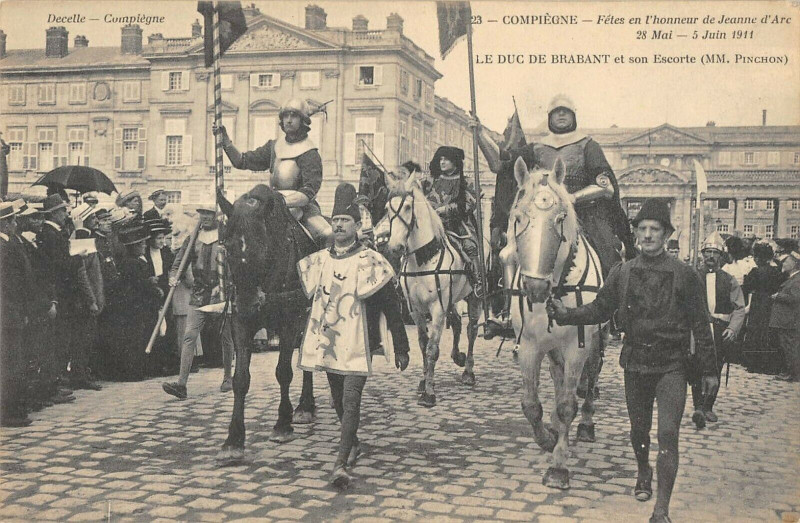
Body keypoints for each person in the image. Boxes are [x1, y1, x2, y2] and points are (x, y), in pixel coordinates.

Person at [547, 199, 718, 523]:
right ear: (636, 234)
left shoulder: (685, 275)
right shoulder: (622, 272)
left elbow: (700, 323)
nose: (649, 235)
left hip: (672, 366)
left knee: (668, 434)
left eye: (656, 229)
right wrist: (567, 313)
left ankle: (661, 510)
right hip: (636, 364)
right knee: (638, 432)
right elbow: (599, 309)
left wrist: (709, 371)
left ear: (666, 234)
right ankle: (643, 470)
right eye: (643, 229)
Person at [474, 95, 635, 333]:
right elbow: (500, 164)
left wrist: (572, 198)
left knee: (608, 257)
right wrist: (479, 134)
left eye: (566, 112)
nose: (561, 115)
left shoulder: (587, 146)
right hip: (544, 215)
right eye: (556, 112)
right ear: (549, 117)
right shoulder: (537, 148)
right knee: (508, 254)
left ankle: (614, 315)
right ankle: (508, 312)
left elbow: (605, 186)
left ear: (573, 116)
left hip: (584, 215)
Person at [297, 183, 410, 489]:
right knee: (337, 399)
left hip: (359, 343)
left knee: (351, 399)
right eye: (335, 220)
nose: (338, 225)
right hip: (328, 343)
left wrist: (401, 346)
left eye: (345, 221)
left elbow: (391, 304)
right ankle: (354, 443)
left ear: (358, 227)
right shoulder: (320, 260)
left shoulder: (371, 261)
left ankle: (341, 462)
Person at [213, 97, 331, 245]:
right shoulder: (273, 147)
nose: (288, 120)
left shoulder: (310, 153)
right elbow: (242, 161)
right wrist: (226, 142)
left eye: (294, 116)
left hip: (302, 208)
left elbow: (309, 191)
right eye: (285, 116)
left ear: (303, 120)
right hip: (272, 206)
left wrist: (280, 202)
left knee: (328, 235)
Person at [162, 207, 233, 399]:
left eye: (209, 213)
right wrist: (173, 276)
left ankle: (228, 377)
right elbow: (179, 263)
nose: (205, 217)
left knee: (226, 338)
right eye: (202, 214)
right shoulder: (193, 238)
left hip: (221, 293)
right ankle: (181, 384)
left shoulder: (226, 236)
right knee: (189, 336)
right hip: (200, 293)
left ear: (217, 215)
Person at [690, 231, 745, 428]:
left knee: (715, 367)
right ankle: (697, 405)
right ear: (702, 255)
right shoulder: (693, 276)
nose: (710, 257)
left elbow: (740, 308)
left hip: (720, 330)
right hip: (696, 330)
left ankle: (708, 406)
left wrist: (733, 328)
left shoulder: (729, 280)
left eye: (714, 253)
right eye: (707, 252)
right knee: (696, 367)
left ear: (721, 256)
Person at [423, 146, 483, 295]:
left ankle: (477, 281)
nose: (442, 162)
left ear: (455, 162)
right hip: (431, 223)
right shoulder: (431, 181)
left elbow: (470, 204)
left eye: (446, 159)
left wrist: (445, 209)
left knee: (469, 247)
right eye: (441, 159)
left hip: (457, 224)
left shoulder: (467, 182)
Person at [109, 224, 162, 381]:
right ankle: (132, 371)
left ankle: (136, 369)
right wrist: (151, 284)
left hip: (136, 306)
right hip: (134, 306)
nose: (145, 246)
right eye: (142, 244)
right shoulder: (131, 262)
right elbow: (138, 284)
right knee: (133, 338)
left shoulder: (136, 260)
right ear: (134, 246)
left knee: (137, 337)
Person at [0, 201, 33, 426]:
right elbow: (12, 284)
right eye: (12, 221)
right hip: (9, 311)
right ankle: (10, 412)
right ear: (5, 224)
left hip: (10, 309)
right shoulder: (6, 247)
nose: (15, 224)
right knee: (11, 361)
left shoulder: (10, 244)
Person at [741, 242, 785, 367]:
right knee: (767, 331)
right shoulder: (776, 271)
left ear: (758, 257)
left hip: (758, 301)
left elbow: (746, 287)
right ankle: (768, 362)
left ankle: (753, 362)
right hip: (771, 303)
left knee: (755, 330)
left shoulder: (756, 271)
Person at [144, 218, 177, 375]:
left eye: (163, 238)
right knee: (154, 326)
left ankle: (167, 362)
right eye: (158, 238)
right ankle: (153, 364)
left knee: (168, 325)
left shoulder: (166, 252)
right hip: (151, 292)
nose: (162, 241)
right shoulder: (145, 254)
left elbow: (172, 268)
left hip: (165, 290)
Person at [770, 248, 800, 382]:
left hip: (789, 321)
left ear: (794, 264)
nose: (783, 264)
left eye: (786, 262)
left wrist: (779, 296)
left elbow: (796, 298)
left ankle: (791, 373)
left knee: (789, 347)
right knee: (787, 346)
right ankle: (789, 371)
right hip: (786, 320)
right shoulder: (793, 278)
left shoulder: (797, 280)